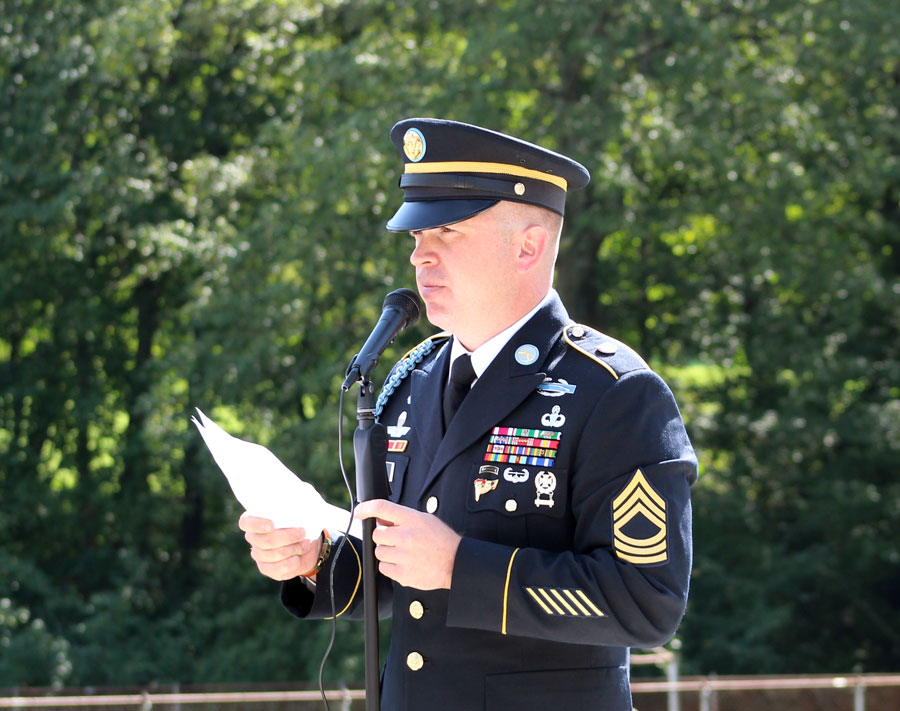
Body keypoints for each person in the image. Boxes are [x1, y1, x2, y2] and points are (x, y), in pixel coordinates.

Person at [239, 118, 697, 711]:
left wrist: (461, 567)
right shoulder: (413, 379)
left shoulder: (613, 393)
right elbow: (396, 573)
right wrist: (315, 557)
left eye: (447, 232)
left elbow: (646, 602)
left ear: (528, 245)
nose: (419, 255)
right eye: (414, 237)